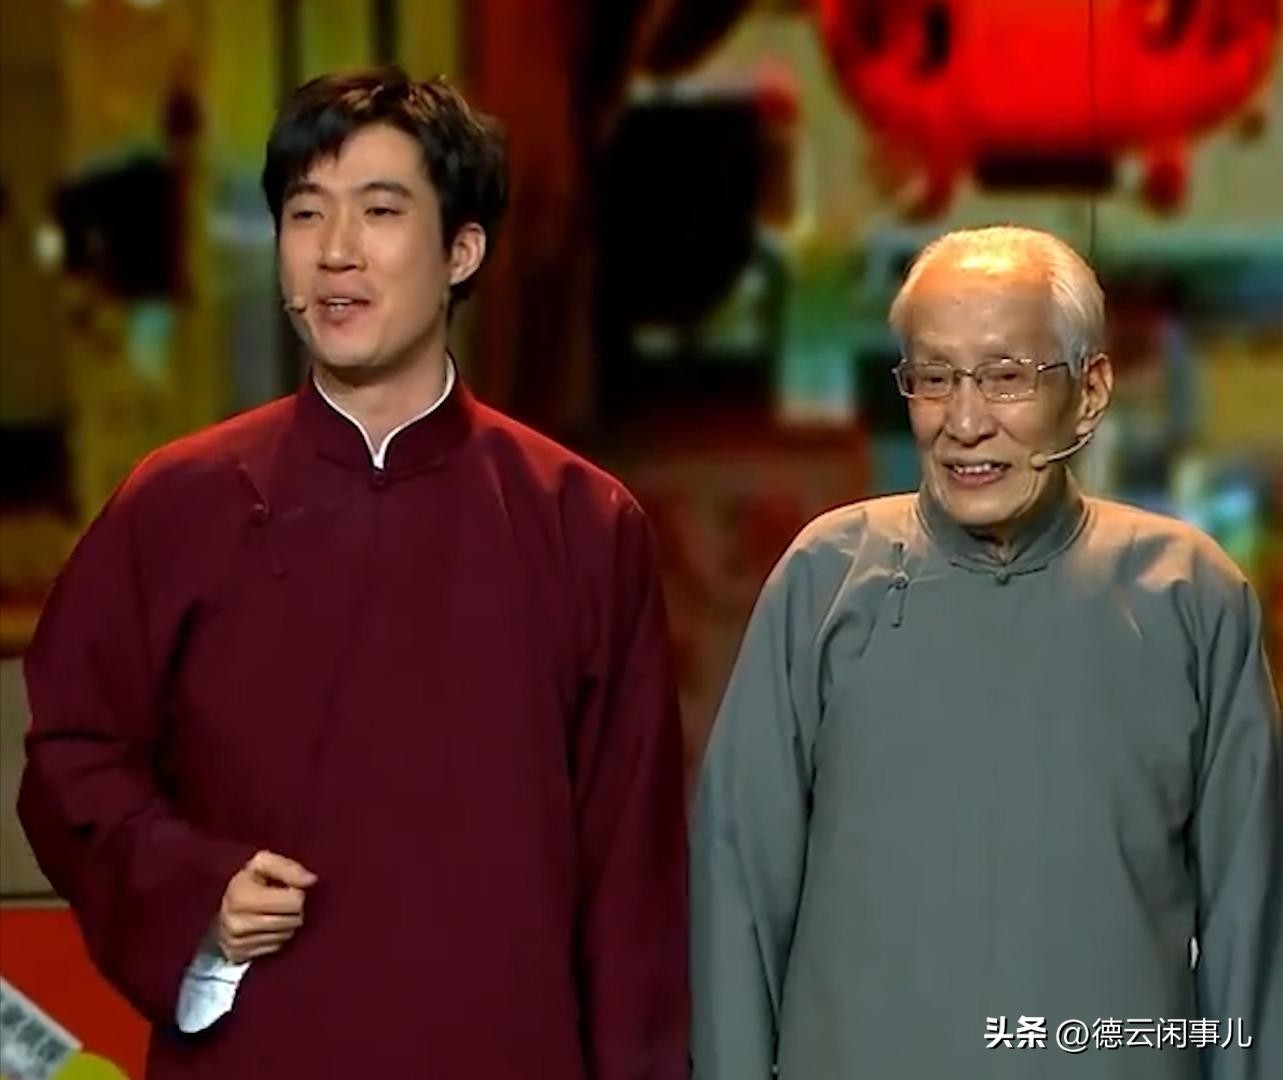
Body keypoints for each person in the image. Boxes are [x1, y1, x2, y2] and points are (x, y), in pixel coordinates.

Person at [19, 67, 688, 1080]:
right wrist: (194, 893)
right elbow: (70, 756)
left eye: (379, 211)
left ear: (462, 249)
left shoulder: (582, 524)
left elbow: (633, 882)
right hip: (257, 1052)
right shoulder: (176, 504)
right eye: (304, 213)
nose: (335, 251)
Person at [690, 225, 1281, 1080]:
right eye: (933, 378)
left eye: (1005, 377)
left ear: (1088, 391)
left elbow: (1249, 930)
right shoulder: (827, 575)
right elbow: (736, 889)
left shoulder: (1190, 595)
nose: (964, 422)